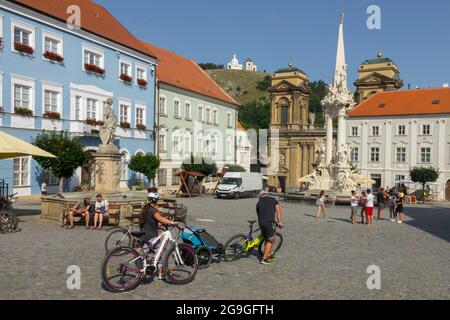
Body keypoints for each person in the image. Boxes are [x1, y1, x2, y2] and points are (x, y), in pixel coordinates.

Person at [139, 189, 177, 279]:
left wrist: (158, 226)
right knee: (159, 252)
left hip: (143, 234)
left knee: (144, 254)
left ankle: (143, 272)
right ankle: (161, 273)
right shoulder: (153, 210)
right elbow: (160, 218)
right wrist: (172, 222)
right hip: (151, 236)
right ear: (155, 200)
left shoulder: (145, 209)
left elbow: (149, 222)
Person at [256, 190, 283, 265]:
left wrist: (261, 226)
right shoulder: (273, 200)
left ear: (260, 196)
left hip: (261, 223)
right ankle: (264, 259)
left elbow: (259, 215)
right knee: (270, 240)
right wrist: (280, 222)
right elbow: (278, 211)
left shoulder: (258, 203)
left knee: (266, 238)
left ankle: (267, 254)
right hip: (270, 223)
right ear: (266, 195)